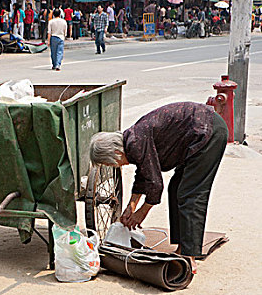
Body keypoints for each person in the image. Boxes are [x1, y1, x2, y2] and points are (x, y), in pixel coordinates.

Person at [88, 102, 228, 273]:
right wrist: (131, 207)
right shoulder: (132, 141)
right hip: (198, 134)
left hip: (208, 132)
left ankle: (189, 256)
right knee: (176, 189)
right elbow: (143, 175)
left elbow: (155, 183)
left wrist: (142, 212)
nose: (117, 166)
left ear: (116, 153)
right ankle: (182, 248)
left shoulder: (136, 142)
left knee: (191, 194)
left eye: (111, 163)